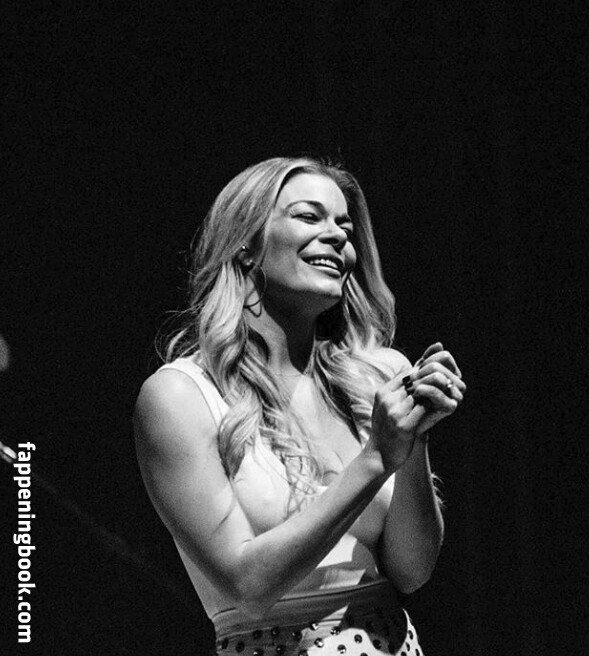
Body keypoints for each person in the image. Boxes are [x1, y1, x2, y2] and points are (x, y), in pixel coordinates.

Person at [134, 156, 466, 656]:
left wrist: (412, 443)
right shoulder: (180, 396)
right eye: (309, 217)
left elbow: (412, 573)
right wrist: (375, 458)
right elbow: (249, 587)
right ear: (245, 243)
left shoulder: (377, 377)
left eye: (345, 228)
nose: (337, 238)